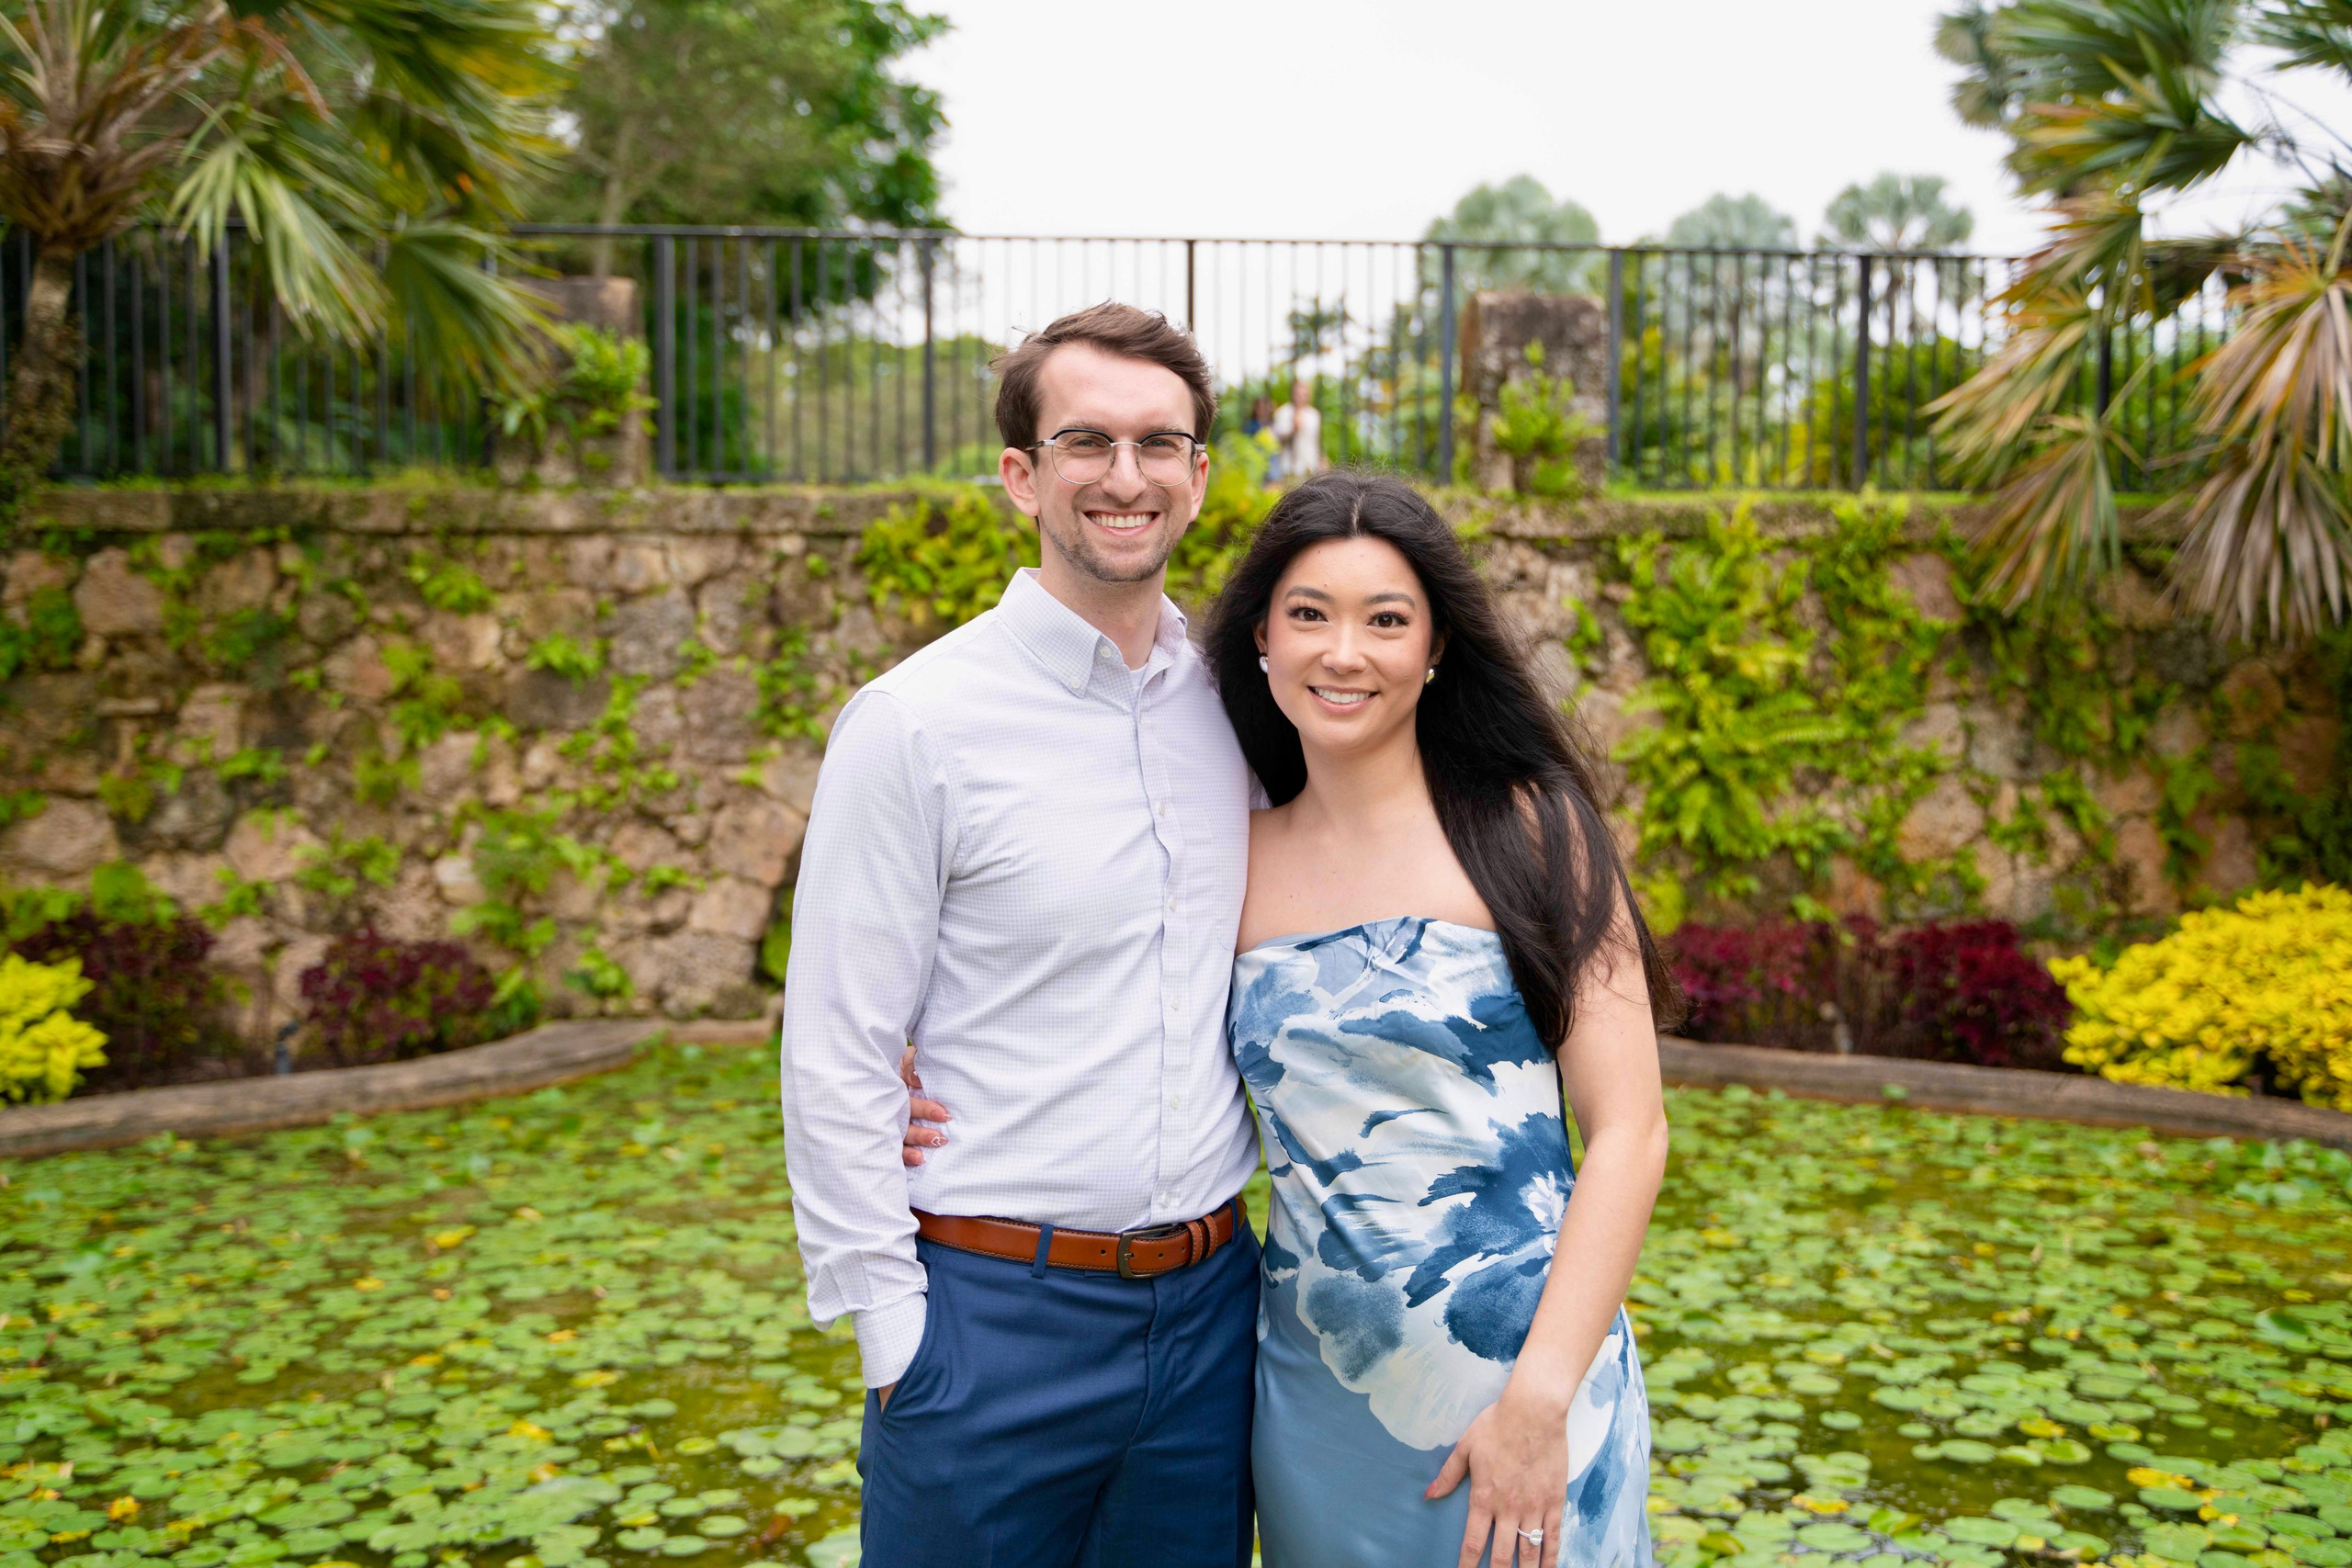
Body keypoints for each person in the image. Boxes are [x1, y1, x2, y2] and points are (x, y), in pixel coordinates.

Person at [899, 470, 1678, 1566]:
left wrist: (1540, 1400)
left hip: (1529, 1379)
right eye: (1308, 614)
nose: (1342, 652)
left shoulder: (1534, 829)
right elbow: (1082, 995)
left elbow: (1631, 1132)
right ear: (1260, 638)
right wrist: (904, 1059)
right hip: (1315, 1401)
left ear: (1436, 645)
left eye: (1385, 620)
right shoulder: (1233, 857)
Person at [781, 301, 1261, 1567]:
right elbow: (837, 1044)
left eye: (1161, 443)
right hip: (992, 1317)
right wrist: (898, 1332)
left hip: (1216, 1310)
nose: (1125, 475)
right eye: (1086, 441)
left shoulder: (1245, 706)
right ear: (1021, 475)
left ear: (1200, 476)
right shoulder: (915, 724)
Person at [1269, 375, 1324, 481]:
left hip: (1310, 468)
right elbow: (1278, 441)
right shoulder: (1283, 412)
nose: (1302, 397)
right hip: (1290, 468)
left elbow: (1316, 441)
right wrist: (1294, 429)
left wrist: (1322, 461)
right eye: (1299, 394)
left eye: (1305, 394)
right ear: (1293, 394)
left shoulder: (1314, 415)